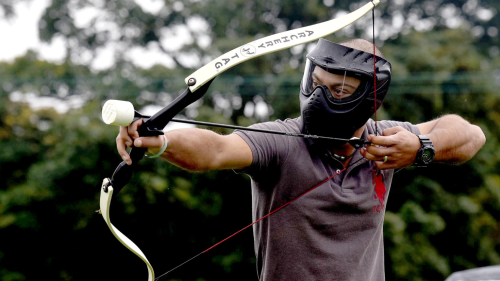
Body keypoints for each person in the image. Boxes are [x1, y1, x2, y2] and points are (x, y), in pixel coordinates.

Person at [116, 38, 486, 281]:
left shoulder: (388, 141)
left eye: (339, 90)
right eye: (317, 84)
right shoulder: (282, 141)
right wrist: (158, 140)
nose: (320, 99)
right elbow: (215, 148)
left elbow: (470, 134)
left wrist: (421, 147)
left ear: (370, 97)